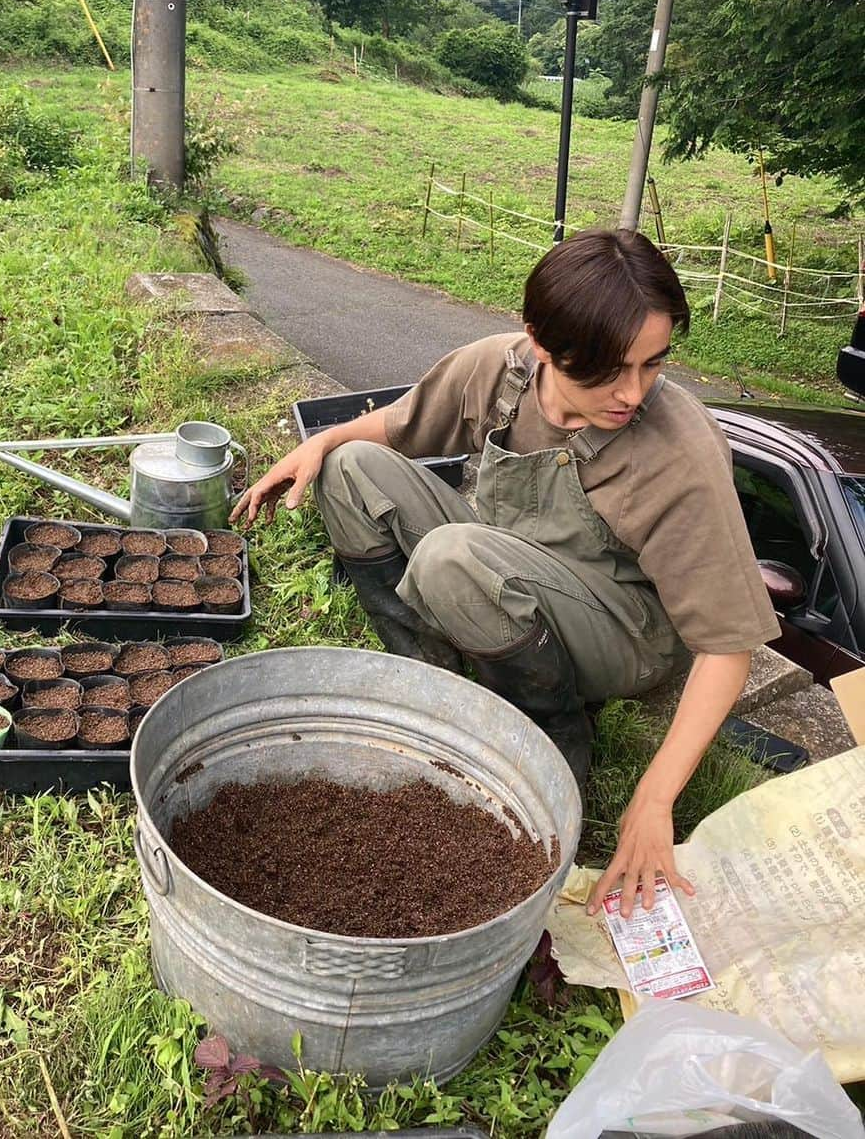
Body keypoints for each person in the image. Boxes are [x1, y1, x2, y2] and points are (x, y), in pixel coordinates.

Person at [230, 229, 779, 918]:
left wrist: (654, 798)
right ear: (542, 344)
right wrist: (320, 444)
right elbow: (401, 426)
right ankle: (439, 685)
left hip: (621, 631)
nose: (632, 392)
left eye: (653, 364)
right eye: (606, 371)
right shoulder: (502, 371)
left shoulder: (678, 450)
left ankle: (556, 740)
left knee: (454, 557)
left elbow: (728, 647)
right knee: (350, 473)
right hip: (504, 563)